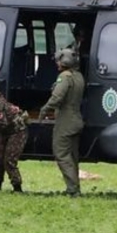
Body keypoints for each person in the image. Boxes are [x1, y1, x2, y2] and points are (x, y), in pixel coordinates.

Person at [40, 49, 86, 197]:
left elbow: (57, 97)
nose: (57, 63)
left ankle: (72, 189)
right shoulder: (78, 76)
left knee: (61, 154)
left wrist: (45, 109)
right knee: (72, 156)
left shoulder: (65, 77)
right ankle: (75, 187)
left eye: (59, 60)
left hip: (65, 121)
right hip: (77, 119)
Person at [0, 102, 28, 193]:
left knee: (9, 159)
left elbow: (3, 123)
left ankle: (17, 187)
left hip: (17, 131)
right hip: (4, 132)